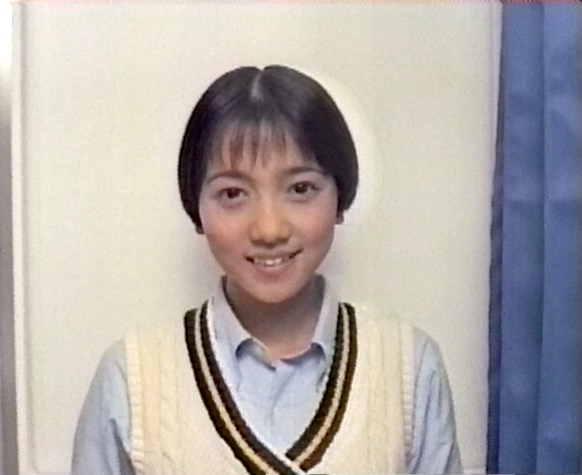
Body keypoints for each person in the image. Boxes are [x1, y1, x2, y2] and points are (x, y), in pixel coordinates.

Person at [71, 65, 463, 475]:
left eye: (300, 189)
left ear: (340, 197)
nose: (269, 229)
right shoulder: (132, 380)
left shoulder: (407, 368)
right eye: (233, 193)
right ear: (196, 208)